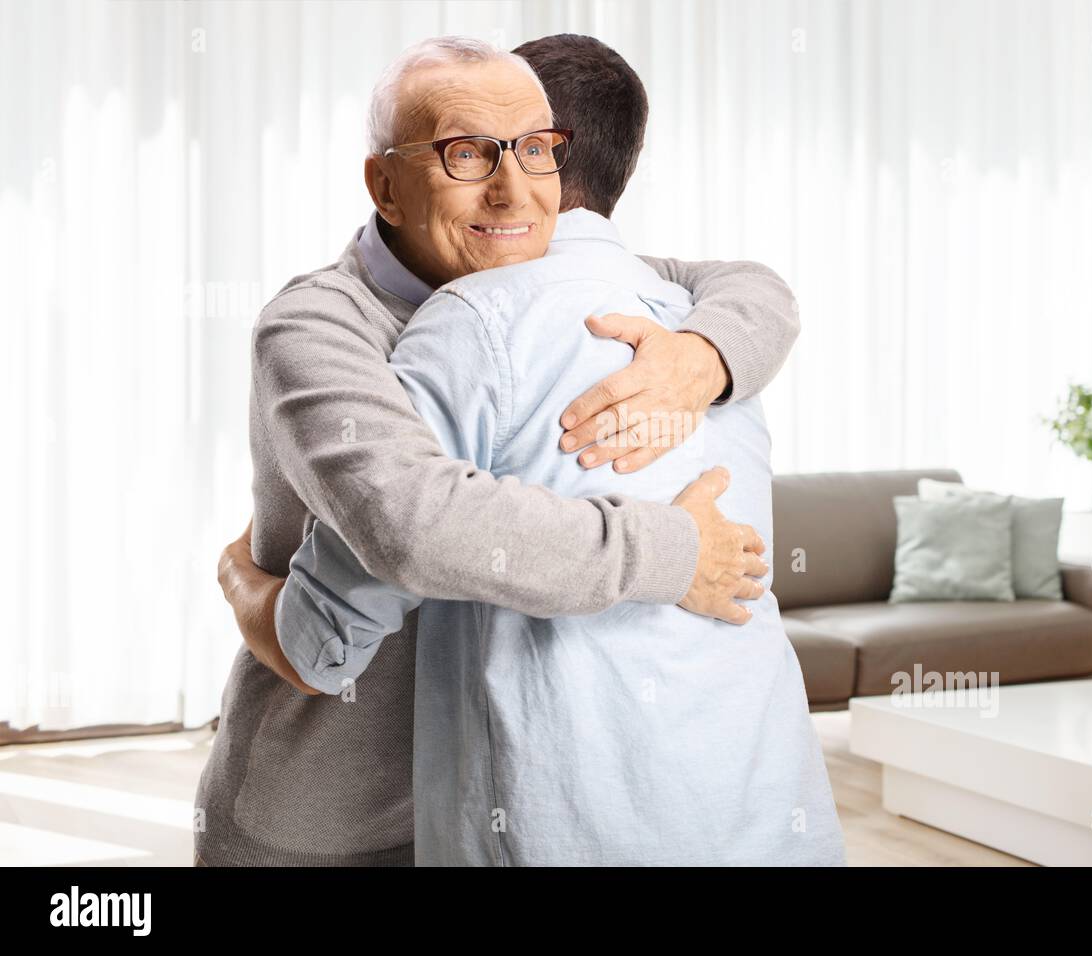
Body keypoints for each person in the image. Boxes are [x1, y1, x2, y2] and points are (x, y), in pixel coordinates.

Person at [199, 34, 802, 867]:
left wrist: (704, 357)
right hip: (330, 821)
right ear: (386, 186)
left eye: (534, 150)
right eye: (467, 155)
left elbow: (749, 286)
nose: (512, 188)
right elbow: (417, 522)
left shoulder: (540, 271)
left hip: (485, 798)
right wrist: (674, 548)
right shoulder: (316, 325)